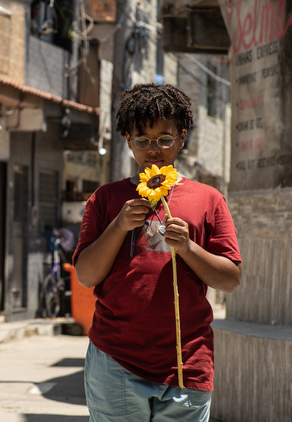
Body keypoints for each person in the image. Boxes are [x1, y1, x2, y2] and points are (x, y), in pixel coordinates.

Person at [72, 83, 242, 422]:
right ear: (127, 140)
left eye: (164, 139)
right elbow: (87, 275)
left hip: (186, 363)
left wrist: (189, 248)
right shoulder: (106, 199)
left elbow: (231, 279)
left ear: (181, 138)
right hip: (115, 360)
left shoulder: (209, 200)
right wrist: (119, 226)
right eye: (142, 140)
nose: (154, 150)